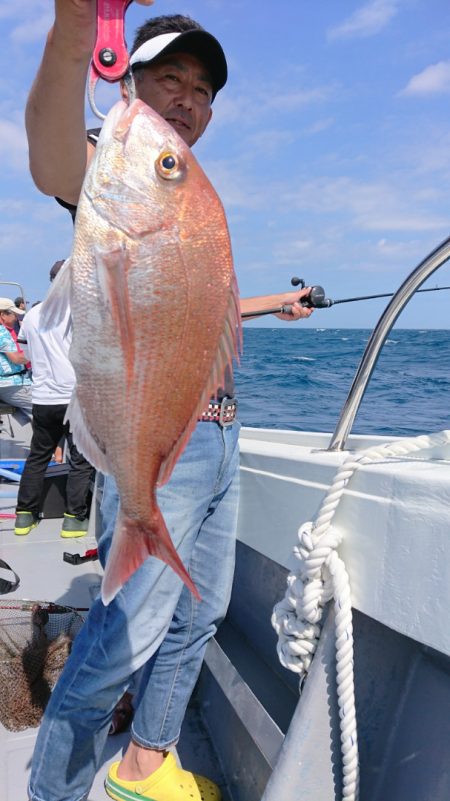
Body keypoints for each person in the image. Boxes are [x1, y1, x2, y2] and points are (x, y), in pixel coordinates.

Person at [25, 6, 314, 801]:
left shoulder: (183, 190)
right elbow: (52, 158)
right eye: (168, 77)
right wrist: (74, 31)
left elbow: (195, 306)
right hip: (158, 445)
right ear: (127, 80)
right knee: (119, 645)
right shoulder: (116, 167)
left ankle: (145, 764)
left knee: (200, 615)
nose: (187, 98)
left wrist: (273, 303)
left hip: (218, 433)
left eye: (201, 88)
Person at [14, 260, 95, 538]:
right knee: (80, 460)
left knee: (38, 456)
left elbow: (26, 349)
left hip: (43, 398)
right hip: (73, 397)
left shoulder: (33, 314)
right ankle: (74, 519)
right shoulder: (78, 310)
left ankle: (25, 516)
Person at [0, 297, 32, 420]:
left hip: (8, 384)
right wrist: (37, 352)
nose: (16, 318)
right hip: (10, 386)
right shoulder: (2, 332)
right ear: (3, 315)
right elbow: (17, 359)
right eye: (14, 315)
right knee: (46, 406)